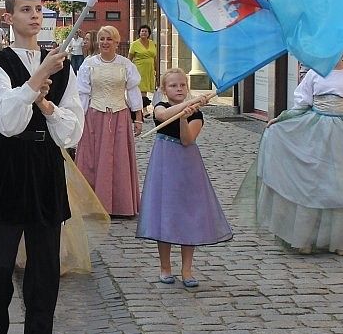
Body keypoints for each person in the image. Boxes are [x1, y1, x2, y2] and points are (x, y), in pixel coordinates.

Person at [0, 0, 84, 334]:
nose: (35, 16)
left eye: (40, 10)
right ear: (10, 17)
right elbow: (5, 119)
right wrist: (35, 81)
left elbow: (71, 130)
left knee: (44, 272)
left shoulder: (65, 64)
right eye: (26, 10)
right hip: (10, 166)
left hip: (46, 167)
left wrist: (50, 107)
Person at [234, 53, 343, 255]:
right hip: (314, 133)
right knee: (311, 183)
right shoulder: (314, 73)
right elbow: (301, 104)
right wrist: (281, 120)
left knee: (341, 186)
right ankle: (305, 238)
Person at [137, 68, 232, 287]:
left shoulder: (196, 114)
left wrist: (185, 117)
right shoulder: (161, 106)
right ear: (163, 89)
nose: (179, 89)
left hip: (186, 164)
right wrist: (185, 107)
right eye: (173, 85)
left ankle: (187, 269)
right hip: (164, 163)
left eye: (182, 85)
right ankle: (165, 267)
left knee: (188, 213)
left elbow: (187, 140)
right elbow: (161, 116)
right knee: (165, 213)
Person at [75, 26, 142, 218]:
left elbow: (133, 91)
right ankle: (93, 205)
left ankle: (121, 204)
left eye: (109, 39)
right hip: (95, 116)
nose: (105, 42)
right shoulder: (89, 64)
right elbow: (83, 93)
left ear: (116, 42)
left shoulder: (125, 64)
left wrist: (137, 117)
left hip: (120, 116)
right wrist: (80, 117)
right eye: (102, 39)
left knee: (119, 159)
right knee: (92, 159)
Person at [128, 25, 158, 110]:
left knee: (146, 89)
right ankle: (143, 109)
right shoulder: (134, 44)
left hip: (150, 70)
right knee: (142, 90)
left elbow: (155, 58)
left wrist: (156, 70)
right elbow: (129, 58)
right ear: (139, 33)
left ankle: (141, 108)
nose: (144, 33)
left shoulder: (152, 43)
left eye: (146, 31)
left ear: (149, 33)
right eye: (142, 31)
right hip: (139, 69)